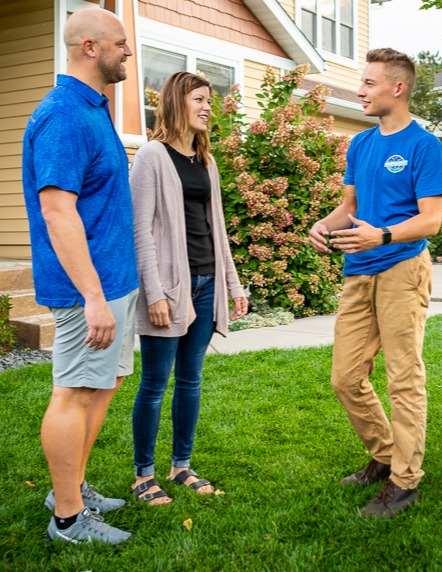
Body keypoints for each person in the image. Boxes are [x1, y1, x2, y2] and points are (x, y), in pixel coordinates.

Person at [308, 48, 442, 518]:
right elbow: (349, 206)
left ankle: (405, 481)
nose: (360, 90)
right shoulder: (361, 145)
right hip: (359, 270)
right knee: (346, 377)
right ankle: (385, 455)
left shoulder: (424, 146)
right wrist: (324, 225)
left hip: (402, 268)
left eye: (368, 83)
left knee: (403, 378)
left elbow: (431, 220)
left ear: (398, 88)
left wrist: (383, 234)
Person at [22, 8, 138, 544]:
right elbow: (57, 212)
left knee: (101, 386)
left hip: (113, 282)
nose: (128, 52)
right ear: (89, 47)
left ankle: (71, 485)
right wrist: (91, 296)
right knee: (72, 392)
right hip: (85, 290)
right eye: (119, 44)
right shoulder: (64, 115)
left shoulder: (95, 110)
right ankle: (68, 519)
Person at [129, 71, 248, 505]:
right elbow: (139, 229)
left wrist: (232, 284)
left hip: (206, 281)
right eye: (199, 99)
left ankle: (181, 465)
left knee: (191, 380)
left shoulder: (206, 161)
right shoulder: (151, 156)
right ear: (177, 102)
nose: (206, 108)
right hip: (170, 286)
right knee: (155, 382)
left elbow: (216, 228)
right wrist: (155, 292)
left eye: (209, 102)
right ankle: (143, 474)